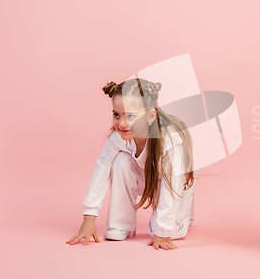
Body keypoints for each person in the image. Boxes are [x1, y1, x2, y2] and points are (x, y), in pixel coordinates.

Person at [66, 78, 195, 250]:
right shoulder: (117, 138)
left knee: (169, 231)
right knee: (120, 161)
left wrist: (163, 231)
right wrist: (89, 217)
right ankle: (121, 225)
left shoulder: (170, 141)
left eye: (131, 116)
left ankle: (185, 215)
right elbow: (102, 170)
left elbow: (172, 186)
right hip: (145, 177)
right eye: (116, 115)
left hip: (174, 184)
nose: (122, 124)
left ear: (150, 116)